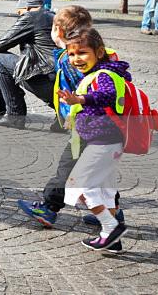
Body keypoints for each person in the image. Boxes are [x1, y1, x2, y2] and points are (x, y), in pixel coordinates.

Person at [17, 5, 124, 233]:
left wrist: (74, 110)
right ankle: (113, 210)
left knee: (67, 167)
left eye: (54, 28)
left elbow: (82, 89)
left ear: (58, 31)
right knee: (102, 172)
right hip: (106, 125)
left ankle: (48, 207)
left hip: (86, 126)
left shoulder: (69, 58)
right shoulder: (99, 51)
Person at [56, 28, 131, 251]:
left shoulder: (104, 75)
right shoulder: (99, 73)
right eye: (72, 54)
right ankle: (113, 240)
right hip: (108, 141)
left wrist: (80, 98)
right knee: (106, 190)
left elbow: (105, 95)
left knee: (78, 184)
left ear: (99, 53)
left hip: (103, 142)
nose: (76, 59)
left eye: (82, 53)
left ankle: (110, 228)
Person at [0, 0, 56, 129]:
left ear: (26, 7)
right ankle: (62, 119)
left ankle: (14, 115)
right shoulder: (54, 16)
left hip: (45, 80)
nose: (19, 16)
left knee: (0, 59)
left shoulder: (31, 17)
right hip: (64, 83)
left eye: (19, 13)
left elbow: (2, 43)